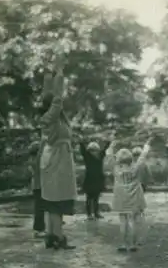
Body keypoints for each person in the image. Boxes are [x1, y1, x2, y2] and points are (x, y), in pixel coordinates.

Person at [39, 60, 77, 250]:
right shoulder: (50, 117)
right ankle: (58, 237)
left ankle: (52, 235)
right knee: (56, 202)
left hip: (54, 160)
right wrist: (60, 75)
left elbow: (49, 97)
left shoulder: (51, 118)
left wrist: (48, 75)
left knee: (53, 202)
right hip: (57, 162)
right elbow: (56, 99)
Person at [107, 136, 152, 252]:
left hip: (121, 199)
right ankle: (132, 244)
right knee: (132, 221)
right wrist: (146, 146)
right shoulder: (135, 169)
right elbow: (142, 158)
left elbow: (109, 156)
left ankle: (122, 244)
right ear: (131, 159)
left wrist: (111, 145)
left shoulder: (116, 170)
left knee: (122, 223)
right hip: (133, 199)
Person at [79, 139, 111, 220]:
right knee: (89, 199)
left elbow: (105, 149)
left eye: (95, 150)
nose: (94, 152)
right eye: (92, 150)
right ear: (89, 151)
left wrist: (108, 142)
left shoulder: (100, 157)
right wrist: (81, 142)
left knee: (96, 198)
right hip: (90, 180)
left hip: (97, 180)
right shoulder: (87, 157)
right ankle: (89, 214)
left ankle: (96, 213)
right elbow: (83, 151)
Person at [28, 139, 46, 239]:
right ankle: (39, 229)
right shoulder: (36, 160)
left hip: (37, 186)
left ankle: (40, 228)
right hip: (39, 186)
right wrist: (43, 141)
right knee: (39, 208)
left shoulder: (32, 160)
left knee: (40, 208)